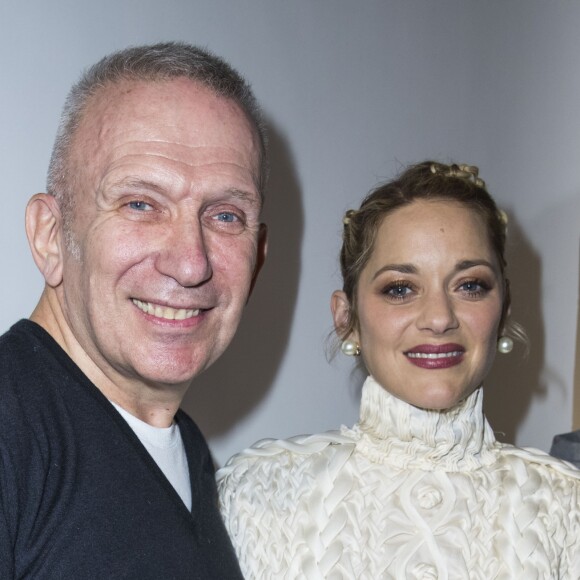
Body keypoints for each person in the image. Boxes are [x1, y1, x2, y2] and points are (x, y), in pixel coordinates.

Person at [218, 161, 580, 578]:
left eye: (470, 285)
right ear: (346, 317)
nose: (439, 317)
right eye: (400, 289)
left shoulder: (566, 507)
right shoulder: (254, 494)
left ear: (503, 310)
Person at [0, 42, 267, 579]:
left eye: (225, 216)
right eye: (140, 204)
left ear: (259, 259)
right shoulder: (13, 428)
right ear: (50, 236)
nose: (190, 263)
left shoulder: (186, 452)